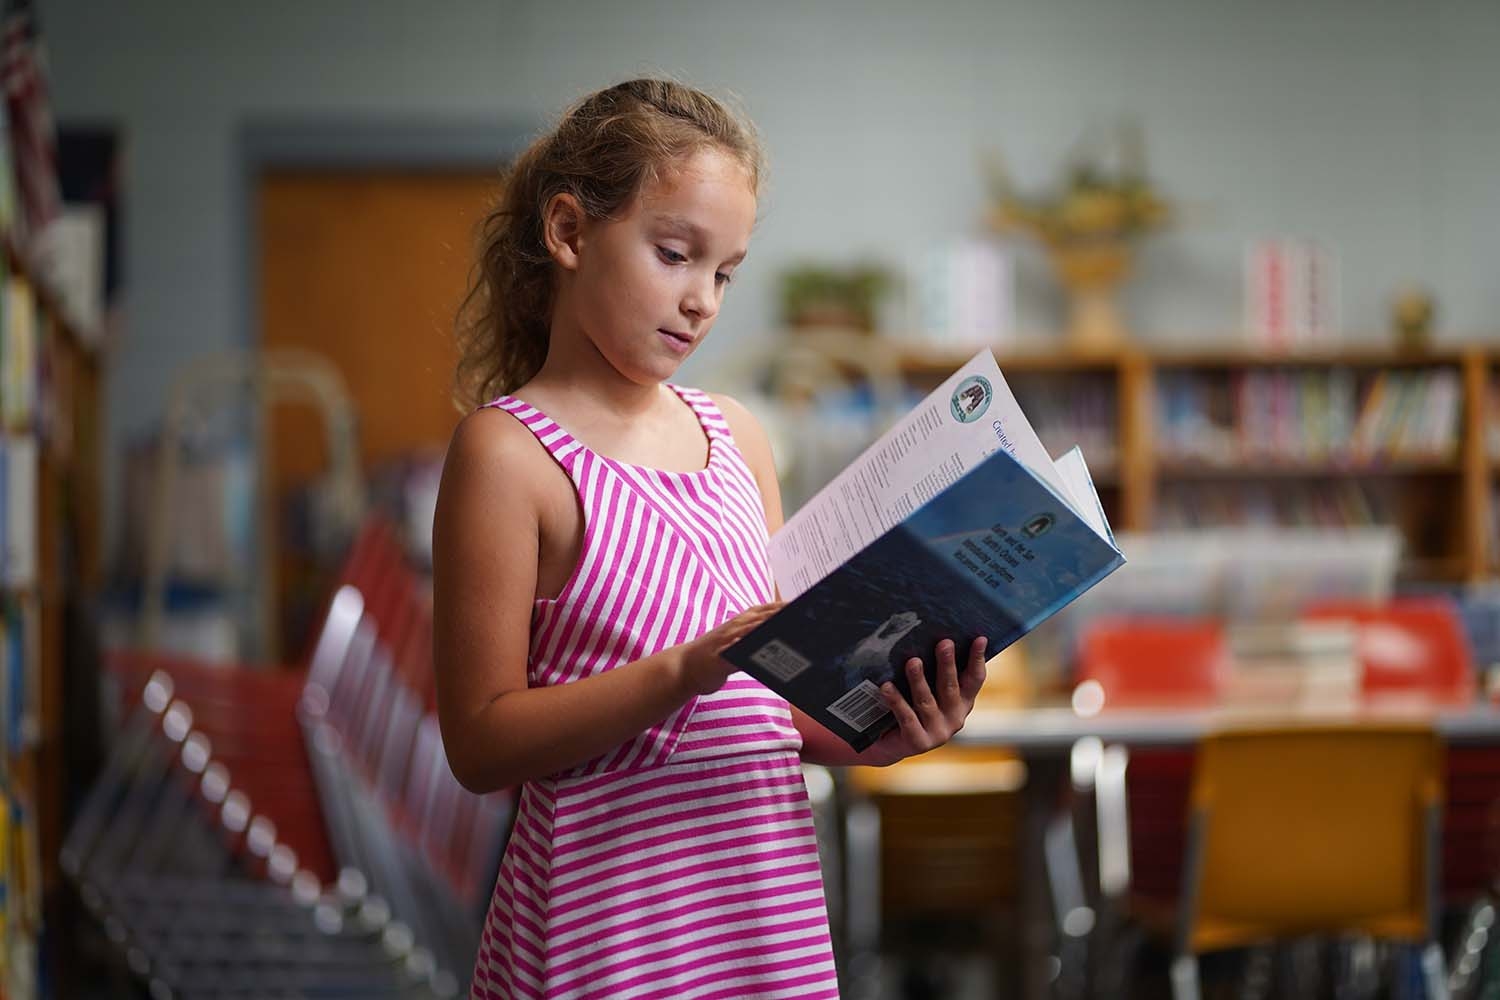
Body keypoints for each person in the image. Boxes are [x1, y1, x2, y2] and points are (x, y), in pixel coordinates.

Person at [432, 77, 990, 1000]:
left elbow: (773, 705)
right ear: (569, 233)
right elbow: (480, 741)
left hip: (759, 923)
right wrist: (682, 669)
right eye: (674, 255)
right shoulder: (509, 453)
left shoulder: (738, 437)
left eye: (725, 273)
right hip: (605, 935)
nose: (703, 302)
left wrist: (884, 732)